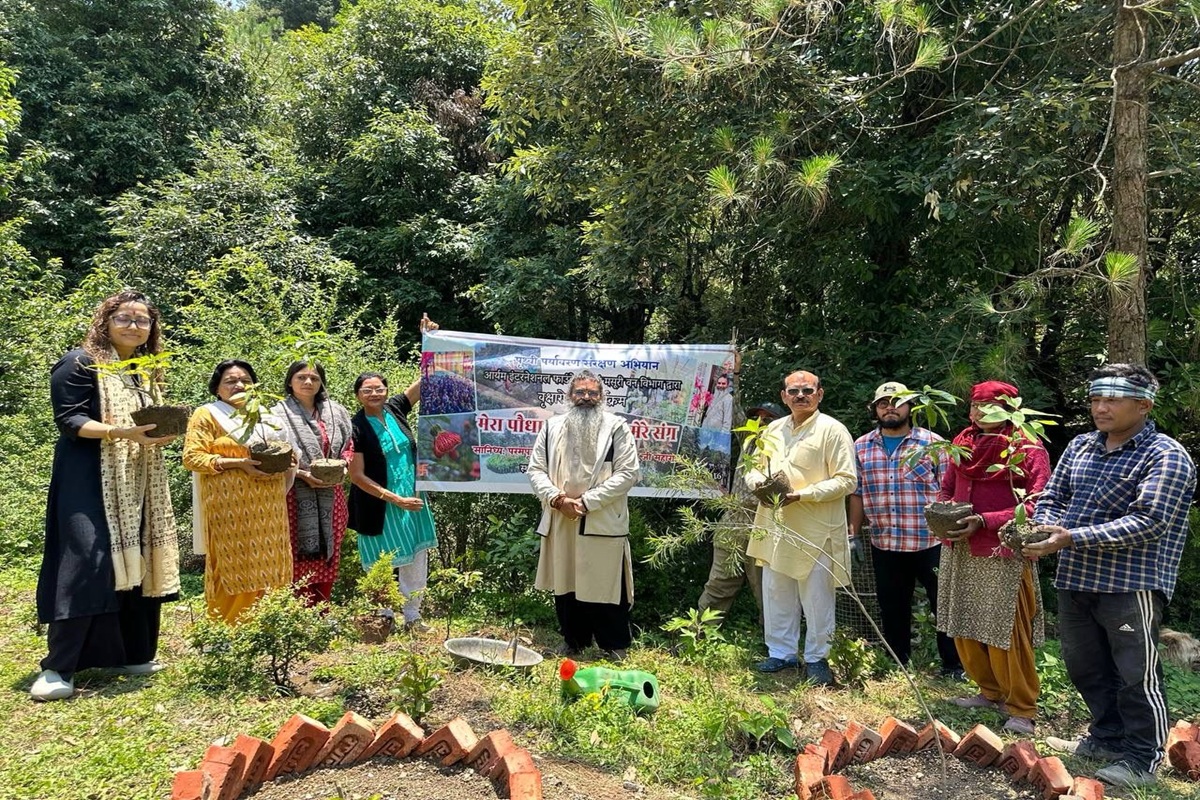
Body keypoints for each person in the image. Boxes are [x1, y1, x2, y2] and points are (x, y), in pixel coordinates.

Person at [1027, 364, 1197, 790]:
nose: (1100, 408)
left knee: (1135, 673)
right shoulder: (1082, 446)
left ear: (1143, 405)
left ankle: (1142, 758)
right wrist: (1045, 526)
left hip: (1130, 582)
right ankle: (1105, 737)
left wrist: (1070, 537)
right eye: (1096, 399)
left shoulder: (1166, 454)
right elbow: (1053, 495)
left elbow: (1150, 520)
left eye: (1112, 400)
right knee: (1085, 666)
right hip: (1076, 576)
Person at [33, 291, 181, 702]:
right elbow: (70, 419)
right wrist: (121, 433)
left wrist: (154, 435)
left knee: (137, 555)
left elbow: (145, 424)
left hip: (137, 478)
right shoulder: (79, 362)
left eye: (143, 320)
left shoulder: (141, 372)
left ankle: (130, 653)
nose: (134, 326)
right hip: (88, 479)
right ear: (106, 320)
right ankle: (58, 668)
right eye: (125, 318)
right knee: (88, 560)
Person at [936, 380, 1050, 735]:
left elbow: (1037, 504)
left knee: (1006, 630)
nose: (978, 412)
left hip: (1003, 550)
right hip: (961, 547)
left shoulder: (1028, 447)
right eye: (975, 405)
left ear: (1009, 409)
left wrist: (986, 521)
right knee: (965, 622)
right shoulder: (962, 442)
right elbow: (947, 486)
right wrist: (943, 512)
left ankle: (1021, 707)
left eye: (989, 406)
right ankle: (989, 691)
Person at [745, 370, 857, 684]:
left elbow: (847, 481)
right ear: (784, 396)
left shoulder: (833, 430)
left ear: (819, 394)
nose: (800, 396)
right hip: (776, 525)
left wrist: (802, 495)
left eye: (807, 390)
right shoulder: (772, 430)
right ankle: (781, 653)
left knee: (817, 598)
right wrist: (757, 485)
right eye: (793, 391)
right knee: (776, 591)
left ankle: (818, 658)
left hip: (816, 528)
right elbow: (752, 470)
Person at [848, 381, 962, 677]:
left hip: (931, 540)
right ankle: (897, 663)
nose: (890, 407)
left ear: (911, 407)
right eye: (883, 403)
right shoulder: (860, 446)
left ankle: (953, 665)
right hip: (885, 541)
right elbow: (857, 493)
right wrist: (852, 534)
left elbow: (950, 491)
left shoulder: (933, 443)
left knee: (944, 605)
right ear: (874, 409)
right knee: (892, 607)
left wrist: (952, 533)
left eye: (897, 402)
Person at [528, 369, 641, 659]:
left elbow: (629, 473)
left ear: (602, 396)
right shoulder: (552, 427)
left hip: (602, 519)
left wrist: (587, 502)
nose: (586, 398)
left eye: (592, 392)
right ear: (569, 396)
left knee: (605, 585)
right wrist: (557, 499)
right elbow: (536, 470)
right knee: (566, 584)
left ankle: (614, 645)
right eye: (580, 392)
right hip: (561, 517)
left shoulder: (617, 427)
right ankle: (574, 641)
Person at [183, 360, 294, 624]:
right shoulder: (207, 414)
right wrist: (238, 463)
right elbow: (192, 458)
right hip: (229, 510)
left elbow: (286, 452)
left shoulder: (266, 416)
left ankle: (268, 628)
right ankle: (228, 630)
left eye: (245, 380)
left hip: (268, 509)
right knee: (232, 566)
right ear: (217, 389)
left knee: (270, 563)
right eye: (230, 381)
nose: (239, 385)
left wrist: (288, 461)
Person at [347, 371, 438, 631]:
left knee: (416, 556)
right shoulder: (356, 427)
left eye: (379, 388)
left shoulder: (396, 410)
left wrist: (430, 340)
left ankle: (413, 616)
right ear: (358, 396)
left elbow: (422, 384)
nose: (374, 394)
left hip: (413, 496)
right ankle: (383, 618)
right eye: (367, 390)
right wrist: (395, 499)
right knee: (381, 559)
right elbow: (357, 476)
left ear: (387, 390)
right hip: (379, 504)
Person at [696, 400, 786, 621]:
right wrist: (733, 373)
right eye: (757, 418)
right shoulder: (748, 442)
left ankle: (775, 647)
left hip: (765, 521)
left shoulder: (788, 448)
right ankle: (699, 635)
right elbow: (733, 408)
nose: (760, 423)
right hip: (734, 518)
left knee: (767, 587)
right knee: (719, 583)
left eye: (768, 419)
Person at [275, 360, 354, 605]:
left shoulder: (335, 411)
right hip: (294, 495)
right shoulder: (276, 413)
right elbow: (274, 452)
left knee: (329, 553)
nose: (308, 382)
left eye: (314, 378)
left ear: (321, 383)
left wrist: (343, 464)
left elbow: (349, 445)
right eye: (301, 377)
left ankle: (322, 611)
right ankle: (297, 614)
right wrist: (301, 473)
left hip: (332, 493)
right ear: (290, 381)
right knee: (297, 554)